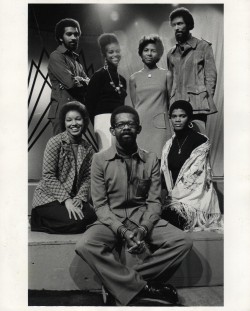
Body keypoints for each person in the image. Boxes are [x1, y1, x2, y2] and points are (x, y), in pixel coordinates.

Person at [75, 106, 192, 306]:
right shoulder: (99, 160)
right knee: (84, 245)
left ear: (138, 129)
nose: (126, 128)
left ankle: (119, 283)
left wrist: (144, 228)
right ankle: (143, 287)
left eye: (130, 124)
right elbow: (100, 205)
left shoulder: (151, 160)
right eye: (120, 124)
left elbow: (155, 201)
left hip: (142, 216)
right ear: (113, 131)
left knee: (183, 242)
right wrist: (121, 230)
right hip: (111, 218)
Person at [31, 101, 96, 234]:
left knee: (92, 216)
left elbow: (87, 177)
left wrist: (79, 197)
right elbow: (48, 175)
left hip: (73, 197)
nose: (74, 124)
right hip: (49, 197)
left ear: (84, 121)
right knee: (77, 223)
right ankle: (38, 220)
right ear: (64, 123)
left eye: (78, 119)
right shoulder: (55, 142)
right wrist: (67, 200)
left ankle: (61, 219)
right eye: (69, 120)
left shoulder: (87, 147)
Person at [161, 100, 223, 232]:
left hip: (193, 201)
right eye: (174, 116)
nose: (178, 120)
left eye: (182, 116)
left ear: (189, 117)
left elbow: (195, 176)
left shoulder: (200, 141)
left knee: (171, 220)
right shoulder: (168, 145)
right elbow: (165, 174)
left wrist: (175, 200)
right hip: (171, 199)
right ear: (170, 118)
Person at [167, 7, 217, 133]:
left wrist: (204, 96)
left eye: (180, 23)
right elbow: (170, 80)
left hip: (197, 106)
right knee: (180, 146)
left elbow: (211, 77)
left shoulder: (203, 47)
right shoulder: (171, 53)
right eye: (174, 25)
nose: (177, 27)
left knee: (198, 145)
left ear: (189, 25)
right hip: (177, 107)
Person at [129, 35, 172, 159]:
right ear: (141, 53)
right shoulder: (133, 78)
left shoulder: (167, 74)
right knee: (141, 160)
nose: (149, 54)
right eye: (146, 50)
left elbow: (170, 101)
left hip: (160, 124)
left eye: (153, 51)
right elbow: (135, 104)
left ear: (159, 54)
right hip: (141, 124)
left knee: (161, 159)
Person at [85, 33, 127, 151]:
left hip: (119, 121)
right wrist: (98, 125)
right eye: (111, 52)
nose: (115, 55)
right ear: (105, 55)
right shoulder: (99, 76)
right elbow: (89, 104)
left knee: (122, 155)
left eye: (117, 51)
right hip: (103, 121)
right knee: (108, 156)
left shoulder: (122, 79)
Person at [48, 18, 90, 135]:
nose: (74, 37)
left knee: (77, 150)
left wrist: (80, 80)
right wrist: (82, 80)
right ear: (61, 37)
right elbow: (70, 83)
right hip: (62, 112)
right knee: (63, 149)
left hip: (77, 112)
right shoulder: (56, 56)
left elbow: (90, 85)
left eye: (76, 34)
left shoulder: (76, 62)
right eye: (69, 34)